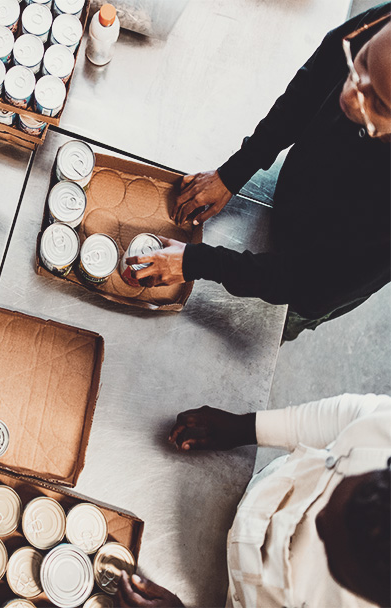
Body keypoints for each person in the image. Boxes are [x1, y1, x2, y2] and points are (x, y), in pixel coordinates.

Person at [125, 5, 391, 341]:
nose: (351, 96)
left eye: (378, 104)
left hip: (313, 275)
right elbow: (315, 82)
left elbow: (312, 283)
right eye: (360, 63)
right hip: (301, 188)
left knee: (273, 324)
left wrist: (197, 262)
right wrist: (237, 169)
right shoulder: (384, 26)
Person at [115, 393, 391, 607]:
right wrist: (245, 428)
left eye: (330, 550)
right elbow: (358, 415)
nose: (316, 514)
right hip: (266, 488)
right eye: (339, 483)